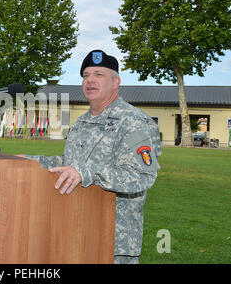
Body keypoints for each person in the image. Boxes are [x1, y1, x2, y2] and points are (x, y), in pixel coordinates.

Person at [22, 49, 161, 264]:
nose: (90, 81)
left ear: (116, 82)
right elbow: (70, 164)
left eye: (99, 74)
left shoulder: (133, 121)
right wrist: (27, 161)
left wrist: (86, 173)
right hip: (74, 232)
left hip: (113, 243)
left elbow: (141, 176)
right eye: (86, 76)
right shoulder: (82, 122)